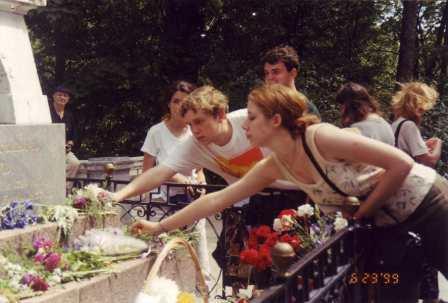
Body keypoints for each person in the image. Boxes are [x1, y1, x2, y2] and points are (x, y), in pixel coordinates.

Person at [131, 84, 448, 302]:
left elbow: (402, 164)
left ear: (276, 120)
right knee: (388, 291)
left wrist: (364, 212)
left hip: (431, 206)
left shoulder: (320, 137)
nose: (245, 126)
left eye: (252, 117)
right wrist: (159, 227)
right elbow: (216, 199)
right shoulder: (275, 165)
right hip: (391, 225)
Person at [113, 85, 304, 274]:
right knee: (249, 274)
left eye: (199, 122)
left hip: (298, 197)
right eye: (190, 125)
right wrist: (118, 196)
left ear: (220, 114)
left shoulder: (249, 122)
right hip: (254, 201)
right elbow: (160, 172)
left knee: (299, 268)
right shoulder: (195, 144)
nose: (194, 130)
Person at [140, 80, 212, 286]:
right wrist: (176, 178)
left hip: (192, 203)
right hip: (164, 205)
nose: (180, 106)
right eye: (176, 101)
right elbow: (148, 171)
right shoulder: (156, 132)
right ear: (169, 104)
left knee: (199, 254)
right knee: (167, 256)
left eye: (185, 102)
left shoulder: (195, 132)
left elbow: (200, 169)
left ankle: (204, 292)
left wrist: (200, 185)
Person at [391, 82, 445, 303]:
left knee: (418, 248)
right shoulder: (409, 127)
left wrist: (424, 143)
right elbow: (428, 161)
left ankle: (424, 294)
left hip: (401, 197)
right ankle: (431, 296)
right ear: (415, 105)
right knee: (432, 247)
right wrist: (437, 144)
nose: (423, 111)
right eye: (422, 106)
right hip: (417, 195)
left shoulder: (396, 125)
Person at [262, 45, 320, 116]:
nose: (269, 77)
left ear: (293, 73)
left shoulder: (306, 109)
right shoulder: (262, 107)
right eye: (266, 73)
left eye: (276, 72)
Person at [49, 85, 80, 179]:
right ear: (53, 96)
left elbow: (74, 133)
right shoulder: (47, 112)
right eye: (59, 95)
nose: (62, 97)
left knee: (74, 163)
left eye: (65, 96)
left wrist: (70, 143)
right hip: (49, 149)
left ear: (68, 99)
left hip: (64, 151)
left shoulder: (69, 115)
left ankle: (66, 190)